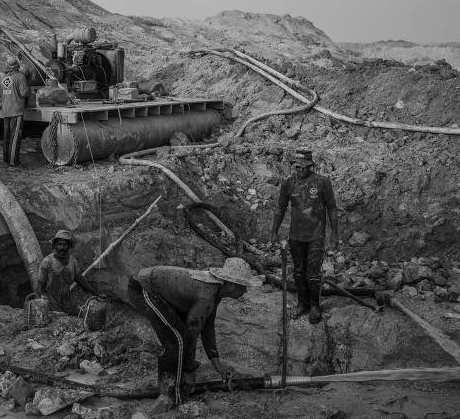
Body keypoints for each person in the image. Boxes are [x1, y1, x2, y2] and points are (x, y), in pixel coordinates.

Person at [127, 258, 261, 405]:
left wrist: (218, 366)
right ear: (231, 284)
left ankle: (172, 387)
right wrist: (189, 369)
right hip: (144, 288)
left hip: (157, 288)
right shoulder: (207, 295)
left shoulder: (216, 291)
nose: (246, 290)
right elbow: (192, 331)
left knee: (181, 338)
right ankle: (170, 394)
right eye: (243, 286)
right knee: (178, 341)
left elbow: (207, 327)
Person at [271, 148, 338, 324]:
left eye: (305, 167)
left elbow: (331, 207)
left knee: (313, 272)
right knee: (299, 272)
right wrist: (274, 232)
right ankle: (302, 303)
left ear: (311, 166)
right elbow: (280, 208)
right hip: (296, 236)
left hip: (316, 234)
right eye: (298, 167)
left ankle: (315, 306)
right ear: (294, 166)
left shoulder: (322, 182)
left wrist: (335, 235)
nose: (301, 170)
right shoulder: (288, 184)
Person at [37, 229, 98, 315]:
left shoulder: (72, 261)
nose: (62, 247)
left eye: (65, 244)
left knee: (85, 316)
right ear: (54, 245)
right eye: (59, 244)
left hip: (68, 303)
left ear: (69, 246)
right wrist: (42, 304)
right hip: (52, 305)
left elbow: (80, 279)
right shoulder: (47, 262)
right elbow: (40, 285)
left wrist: (95, 293)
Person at [0, 56, 29, 166]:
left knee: (7, 137)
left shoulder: (3, 79)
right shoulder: (20, 77)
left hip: (6, 111)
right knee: (15, 137)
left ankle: (6, 159)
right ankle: (13, 162)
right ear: (17, 66)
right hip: (16, 111)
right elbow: (23, 93)